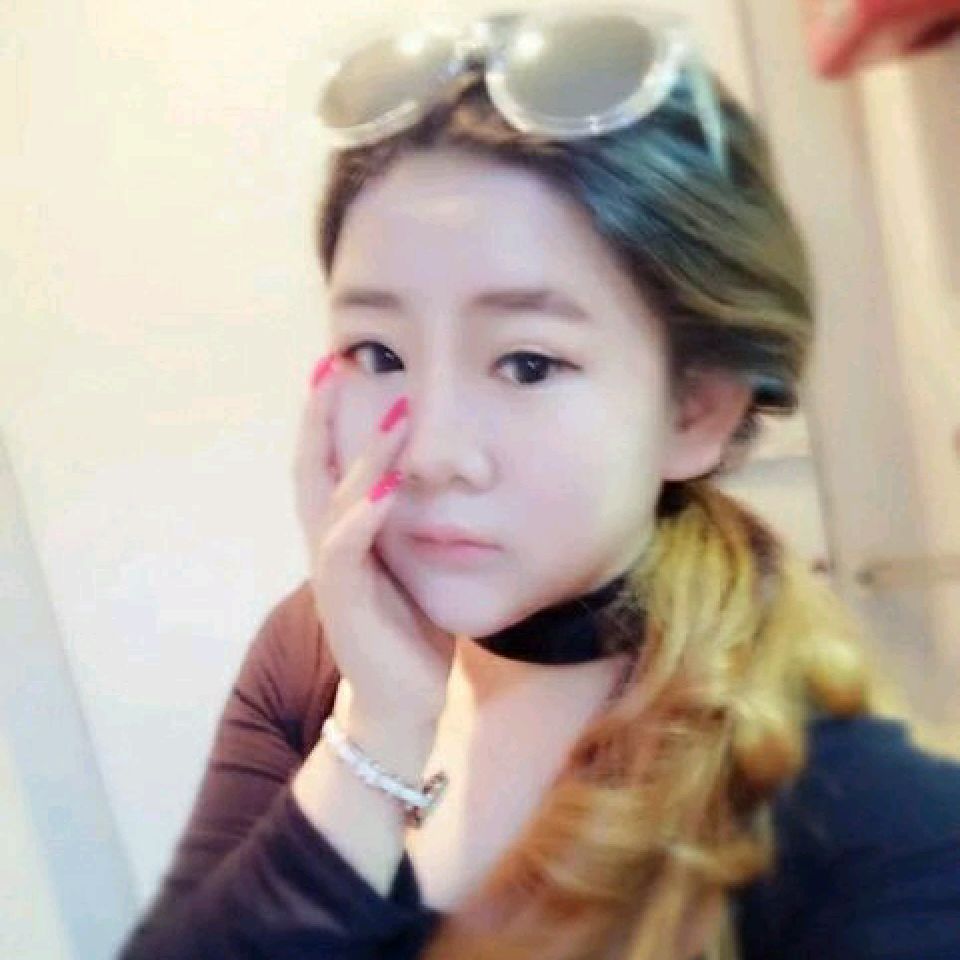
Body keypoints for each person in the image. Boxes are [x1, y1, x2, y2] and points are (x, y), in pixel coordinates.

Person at [116, 7, 960, 959]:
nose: (431, 453)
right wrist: (376, 737)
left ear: (696, 410)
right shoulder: (316, 655)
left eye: (527, 363)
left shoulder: (879, 836)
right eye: (379, 352)